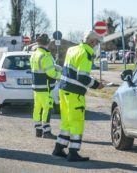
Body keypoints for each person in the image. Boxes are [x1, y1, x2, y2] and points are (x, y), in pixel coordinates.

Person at [52, 31, 104, 161]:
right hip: (75, 93)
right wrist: (96, 85)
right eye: (97, 43)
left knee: (67, 121)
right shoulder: (86, 54)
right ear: (92, 41)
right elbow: (82, 77)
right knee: (77, 122)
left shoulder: (72, 49)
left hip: (64, 90)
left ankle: (59, 148)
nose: (97, 45)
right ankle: (73, 152)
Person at [30, 33, 61, 139]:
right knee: (47, 108)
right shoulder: (46, 55)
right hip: (46, 87)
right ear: (47, 42)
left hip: (36, 86)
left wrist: (54, 67)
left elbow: (42, 68)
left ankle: (38, 130)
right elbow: (51, 73)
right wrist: (60, 75)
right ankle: (46, 132)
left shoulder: (34, 54)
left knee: (37, 108)